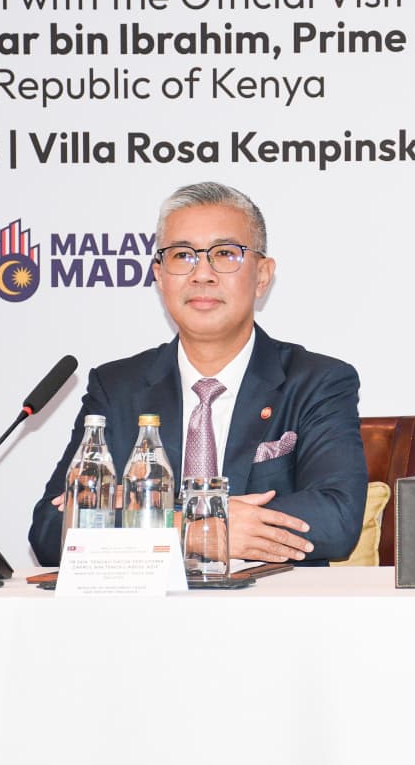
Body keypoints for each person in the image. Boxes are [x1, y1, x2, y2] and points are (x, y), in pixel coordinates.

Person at [29, 182, 367, 567]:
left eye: (225, 254)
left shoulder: (316, 382)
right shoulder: (117, 387)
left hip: (270, 616)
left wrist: (129, 514)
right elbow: (51, 528)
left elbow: (336, 518)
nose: (202, 274)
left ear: (262, 275)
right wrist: (195, 529)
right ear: (159, 274)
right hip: (141, 617)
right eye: (182, 256)